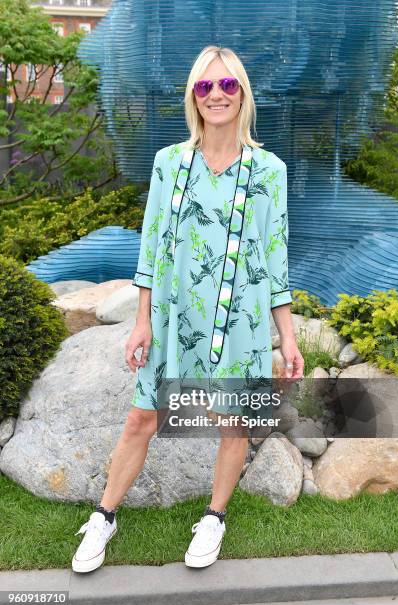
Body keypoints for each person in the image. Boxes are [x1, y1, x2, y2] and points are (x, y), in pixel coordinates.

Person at [72, 45, 304, 574]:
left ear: (242, 95)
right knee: (140, 419)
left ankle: (214, 516)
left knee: (232, 424)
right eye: (205, 86)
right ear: (193, 97)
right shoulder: (169, 163)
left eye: (227, 86)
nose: (216, 95)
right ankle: (105, 515)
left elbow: (275, 255)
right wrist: (141, 320)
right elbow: (151, 246)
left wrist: (286, 336)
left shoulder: (268, 170)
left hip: (239, 319)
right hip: (175, 319)